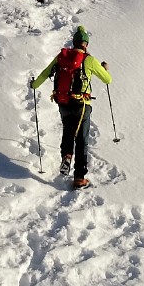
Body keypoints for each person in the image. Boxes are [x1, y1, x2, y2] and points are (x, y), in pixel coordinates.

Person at [30, 25, 112, 189]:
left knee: (68, 131)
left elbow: (45, 73)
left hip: (64, 102)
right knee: (82, 139)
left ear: (73, 42)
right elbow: (107, 79)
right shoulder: (89, 59)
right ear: (85, 44)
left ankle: (66, 156)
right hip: (82, 104)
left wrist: (34, 85)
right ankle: (79, 178)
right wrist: (104, 69)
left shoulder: (61, 57)